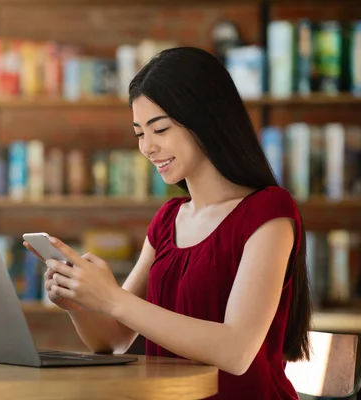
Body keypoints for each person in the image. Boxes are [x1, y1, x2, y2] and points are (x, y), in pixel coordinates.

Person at [24, 47, 311, 399]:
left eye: (159, 129)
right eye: (139, 134)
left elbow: (235, 351)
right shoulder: (167, 221)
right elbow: (114, 339)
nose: (147, 148)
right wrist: (79, 303)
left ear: (206, 119)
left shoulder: (268, 211)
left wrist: (113, 298)